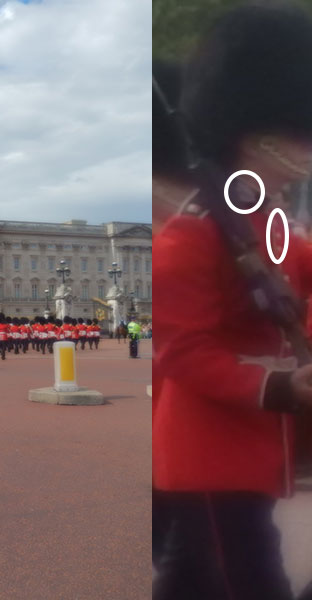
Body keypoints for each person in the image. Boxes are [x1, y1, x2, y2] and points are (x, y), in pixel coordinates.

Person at [153, 4, 312, 598]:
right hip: (210, 453)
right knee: (240, 577)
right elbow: (182, 350)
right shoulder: (192, 237)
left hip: (256, 446)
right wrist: (277, 387)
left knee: (199, 574)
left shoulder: (266, 227)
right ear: (259, 135)